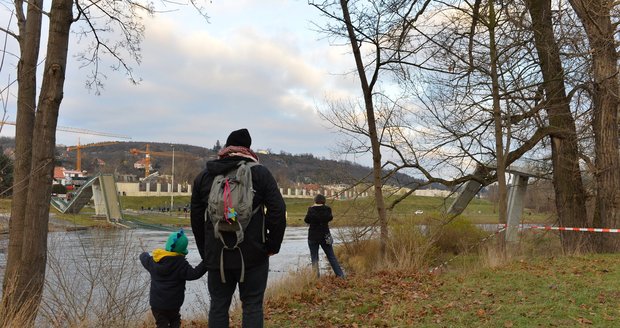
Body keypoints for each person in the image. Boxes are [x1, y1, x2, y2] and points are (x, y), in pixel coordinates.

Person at [191, 128, 286, 328]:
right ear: (248, 149)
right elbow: (278, 210)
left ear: (226, 148)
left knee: (218, 306)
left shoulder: (205, 176)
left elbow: (196, 219)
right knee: (252, 305)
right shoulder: (260, 173)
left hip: (217, 257)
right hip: (253, 255)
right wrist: (271, 246)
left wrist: (206, 253)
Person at [139, 229, 207, 328]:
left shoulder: (154, 261)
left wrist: (143, 254)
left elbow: (144, 258)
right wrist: (206, 262)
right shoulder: (181, 264)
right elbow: (194, 274)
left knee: (161, 323)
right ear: (182, 249)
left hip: (157, 304)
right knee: (175, 320)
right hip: (174, 304)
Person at [304, 194, 345, 278]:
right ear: (324, 201)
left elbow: (306, 220)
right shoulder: (327, 209)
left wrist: (312, 209)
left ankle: (316, 278)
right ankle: (340, 275)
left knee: (314, 258)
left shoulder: (311, 209)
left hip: (313, 237)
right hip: (325, 236)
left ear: (315, 201)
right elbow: (330, 218)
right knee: (331, 256)